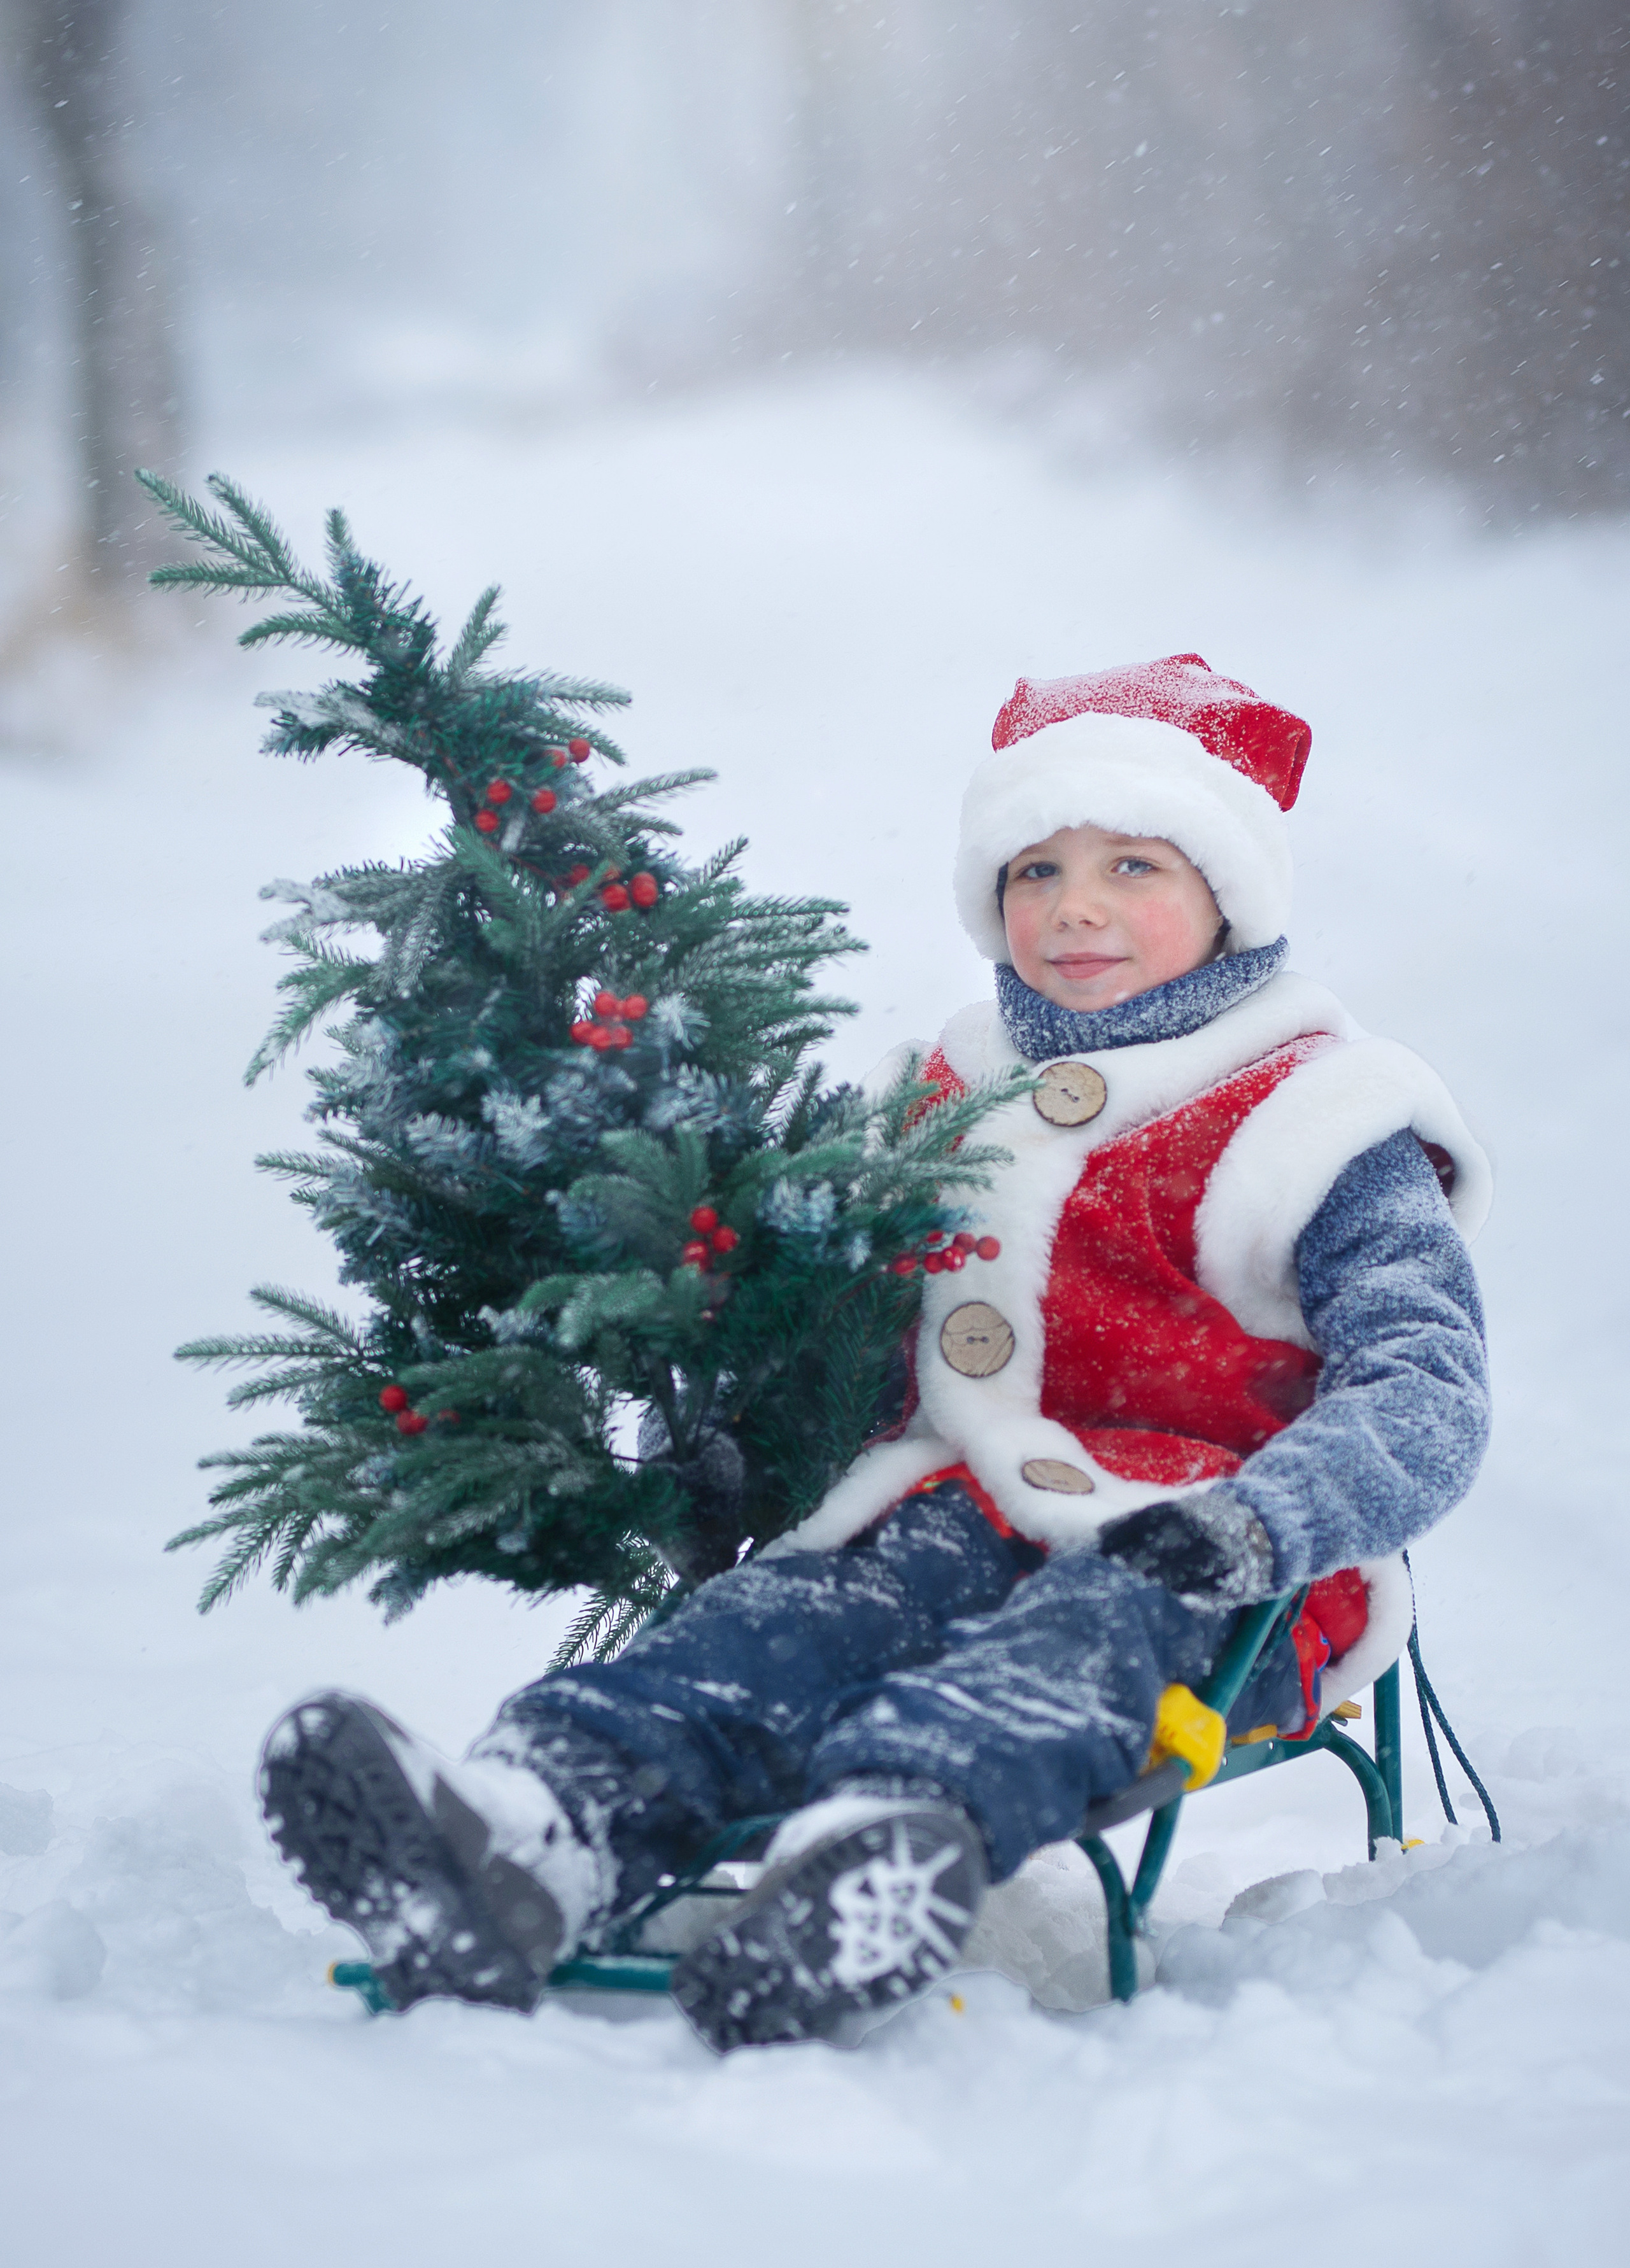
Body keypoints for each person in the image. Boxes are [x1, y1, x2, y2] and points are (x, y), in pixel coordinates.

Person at [260, 654, 1491, 2051]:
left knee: (1073, 1649)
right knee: (773, 1627)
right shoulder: (942, 1097)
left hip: (1213, 1559)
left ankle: (879, 1856)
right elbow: (849, 1327)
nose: (1073, 905)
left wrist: (1262, 1523)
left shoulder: (1321, 1117)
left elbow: (1423, 1387)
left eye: (1132, 863)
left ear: (1227, 897)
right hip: (941, 1507)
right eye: (1034, 870)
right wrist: (745, 1430)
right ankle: (527, 1828)